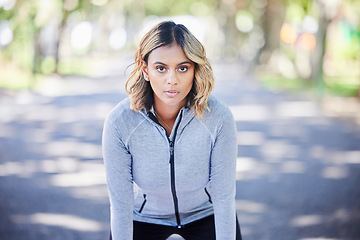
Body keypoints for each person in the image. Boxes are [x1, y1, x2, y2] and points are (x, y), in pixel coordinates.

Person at [102, 20, 242, 240]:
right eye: (161, 68)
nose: (172, 80)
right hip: (144, 217)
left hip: (205, 214)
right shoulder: (120, 122)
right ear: (145, 69)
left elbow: (224, 197)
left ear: (195, 69)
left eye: (182, 68)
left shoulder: (218, 117)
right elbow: (120, 203)